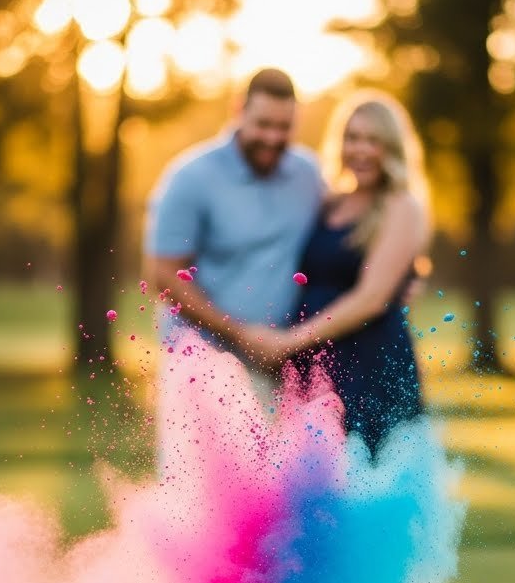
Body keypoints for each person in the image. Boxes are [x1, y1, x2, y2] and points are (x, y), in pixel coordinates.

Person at [238, 94, 430, 456]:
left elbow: (371, 300)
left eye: (373, 140)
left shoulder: (401, 206)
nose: (361, 150)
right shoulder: (330, 203)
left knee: (365, 488)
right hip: (315, 365)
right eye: (352, 138)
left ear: (391, 148)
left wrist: (286, 343)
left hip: (370, 368)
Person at [143, 68, 323, 364]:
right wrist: (240, 335)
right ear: (238, 110)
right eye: (263, 124)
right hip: (199, 362)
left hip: (279, 361)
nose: (273, 137)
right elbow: (164, 275)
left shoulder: (308, 174)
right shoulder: (191, 177)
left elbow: (345, 228)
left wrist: (396, 273)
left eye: (284, 127)